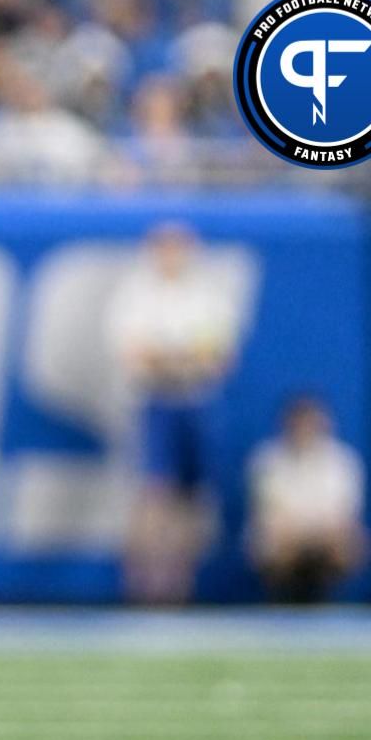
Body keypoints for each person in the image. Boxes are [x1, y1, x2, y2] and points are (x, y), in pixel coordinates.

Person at [108, 221, 244, 604]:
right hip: (156, 400)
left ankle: (180, 586)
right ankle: (141, 585)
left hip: (197, 399)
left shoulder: (206, 295)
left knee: (193, 497)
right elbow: (137, 354)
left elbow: (218, 356)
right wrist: (181, 358)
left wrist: (173, 357)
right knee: (155, 493)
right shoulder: (137, 294)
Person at [246, 396, 370, 603]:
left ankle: (325, 598)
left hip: (325, 536)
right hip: (285, 537)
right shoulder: (267, 461)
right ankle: (283, 598)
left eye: (311, 423)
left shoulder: (343, 461)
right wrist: (298, 536)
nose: (305, 430)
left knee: (350, 541)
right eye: (300, 423)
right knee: (271, 540)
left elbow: (343, 515)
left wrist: (317, 535)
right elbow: (270, 515)